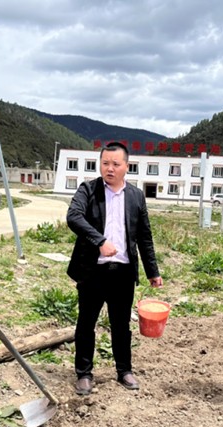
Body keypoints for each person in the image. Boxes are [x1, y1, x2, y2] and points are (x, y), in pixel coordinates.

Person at [66, 141, 162, 395]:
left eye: (115, 164)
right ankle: (84, 373)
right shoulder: (88, 190)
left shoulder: (136, 196)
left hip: (123, 272)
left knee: (121, 324)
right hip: (93, 271)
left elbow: (144, 236)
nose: (109, 168)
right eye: (105, 163)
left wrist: (152, 271)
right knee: (86, 323)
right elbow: (73, 217)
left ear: (126, 167)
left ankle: (124, 370)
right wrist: (100, 241)